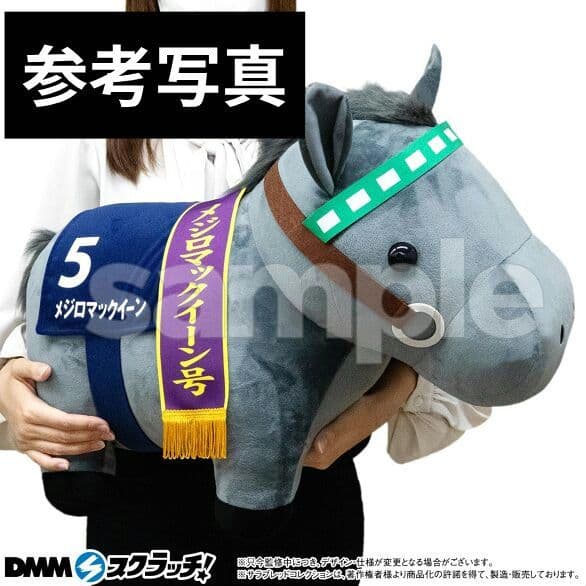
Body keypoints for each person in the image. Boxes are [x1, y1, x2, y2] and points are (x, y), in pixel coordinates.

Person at [0, 1, 491, 583]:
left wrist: (386, 398)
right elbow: (34, 309)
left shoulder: (345, 104)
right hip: (143, 496)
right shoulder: (100, 114)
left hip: (305, 478)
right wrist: (12, 393)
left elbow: (438, 285)